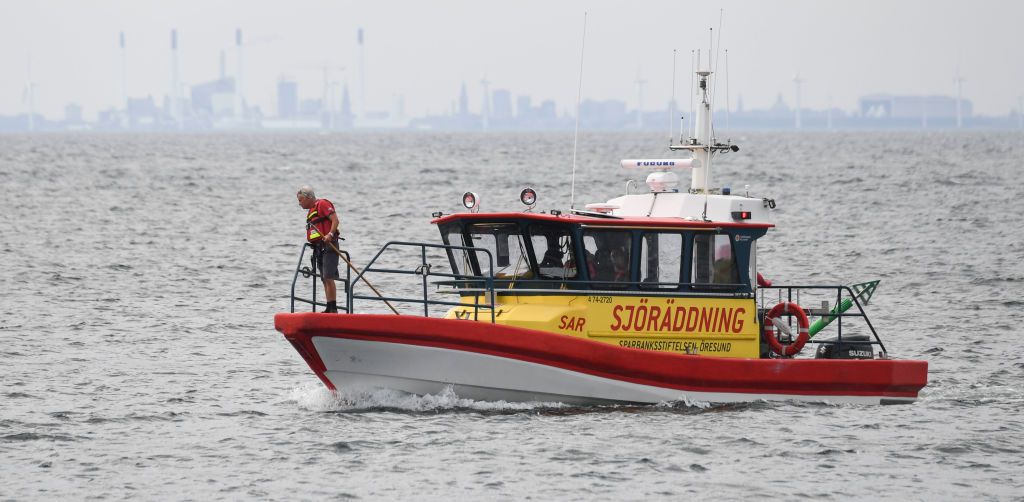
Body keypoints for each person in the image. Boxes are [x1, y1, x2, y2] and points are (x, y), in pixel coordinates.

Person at [297, 185, 341, 313]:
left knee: (328, 276)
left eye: (301, 200)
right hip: (319, 248)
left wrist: (330, 234)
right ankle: (329, 306)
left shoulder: (322, 204)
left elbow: (335, 220)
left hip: (330, 244)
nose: (299, 204)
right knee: (323, 278)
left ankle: (333, 308)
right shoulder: (311, 211)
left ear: (308, 197)